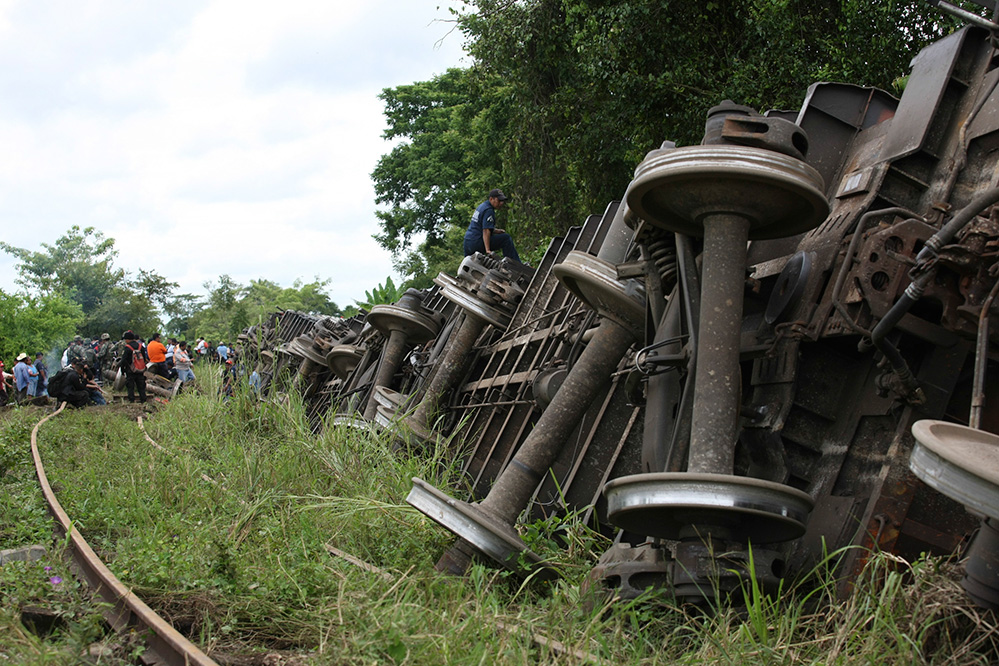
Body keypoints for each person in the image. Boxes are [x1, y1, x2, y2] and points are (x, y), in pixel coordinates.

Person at [463, 188, 521, 262]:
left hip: (468, 242)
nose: (501, 203)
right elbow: (486, 230)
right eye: (499, 200)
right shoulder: (489, 210)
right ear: (491, 199)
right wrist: (488, 250)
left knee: (469, 262)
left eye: (502, 201)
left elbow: (479, 226)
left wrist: (496, 231)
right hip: (477, 242)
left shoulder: (482, 206)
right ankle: (515, 264)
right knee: (506, 239)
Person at [120, 331, 148, 403]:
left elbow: (123, 360)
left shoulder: (127, 347)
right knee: (141, 385)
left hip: (130, 370)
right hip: (140, 369)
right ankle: (143, 399)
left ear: (127, 339)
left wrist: (122, 370)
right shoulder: (140, 346)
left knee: (130, 386)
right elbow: (144, 358)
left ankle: (131, 400)